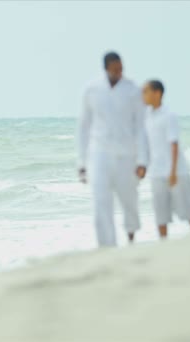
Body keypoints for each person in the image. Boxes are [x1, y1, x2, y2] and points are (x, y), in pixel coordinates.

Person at [77, 52, 148, 247]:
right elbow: (84, 127)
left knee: (129, 200)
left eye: (121, 68)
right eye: (116, 69)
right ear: (106, 68)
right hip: (99, 154)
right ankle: (107, 248)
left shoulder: (133, 90)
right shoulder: (91, 90)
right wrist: (82, 163)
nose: (120, 72)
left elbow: (141, 127)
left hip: (127, 155)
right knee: (101, 203)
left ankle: (131, 235)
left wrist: (143, 161)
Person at [141, 80, 190, 239]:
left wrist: (173, 172)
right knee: (160, 211)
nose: (142, 96)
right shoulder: (146, 116)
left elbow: (174, 144)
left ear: (157, 93)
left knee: (188, 208)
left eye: (145, 92)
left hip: (177, 170)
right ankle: (163, 242)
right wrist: (142, 166)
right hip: (156, 172)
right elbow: (146, 144)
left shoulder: (169, 115)